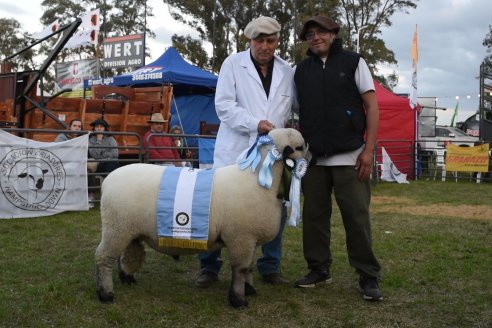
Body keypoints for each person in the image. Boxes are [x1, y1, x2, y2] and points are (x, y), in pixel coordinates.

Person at [195, 16, 295, 288]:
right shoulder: (232, 64)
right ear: (250, 41)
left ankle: (270, 266)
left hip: (273, 157)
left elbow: (295, 106)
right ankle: (209, 266)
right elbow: (223, 106)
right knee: (216, 206)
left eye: (270, 40)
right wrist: (255, 124)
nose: (265, 46)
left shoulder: (287, 71)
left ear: (277, 42)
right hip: (236, 151)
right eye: (259, 40)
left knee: (277, 205)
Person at [293, 15, 383, 301]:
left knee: (356, 219)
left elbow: (372, 107)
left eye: (321, 32)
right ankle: (319, 269)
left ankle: (368, 276)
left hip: (351, 156)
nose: (315, 37)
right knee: (314, 218)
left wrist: (368, 151)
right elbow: (296, 109)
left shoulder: (354, 62)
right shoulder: (301, 70)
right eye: (310, 34)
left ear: (333, 34)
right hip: (315, 158)